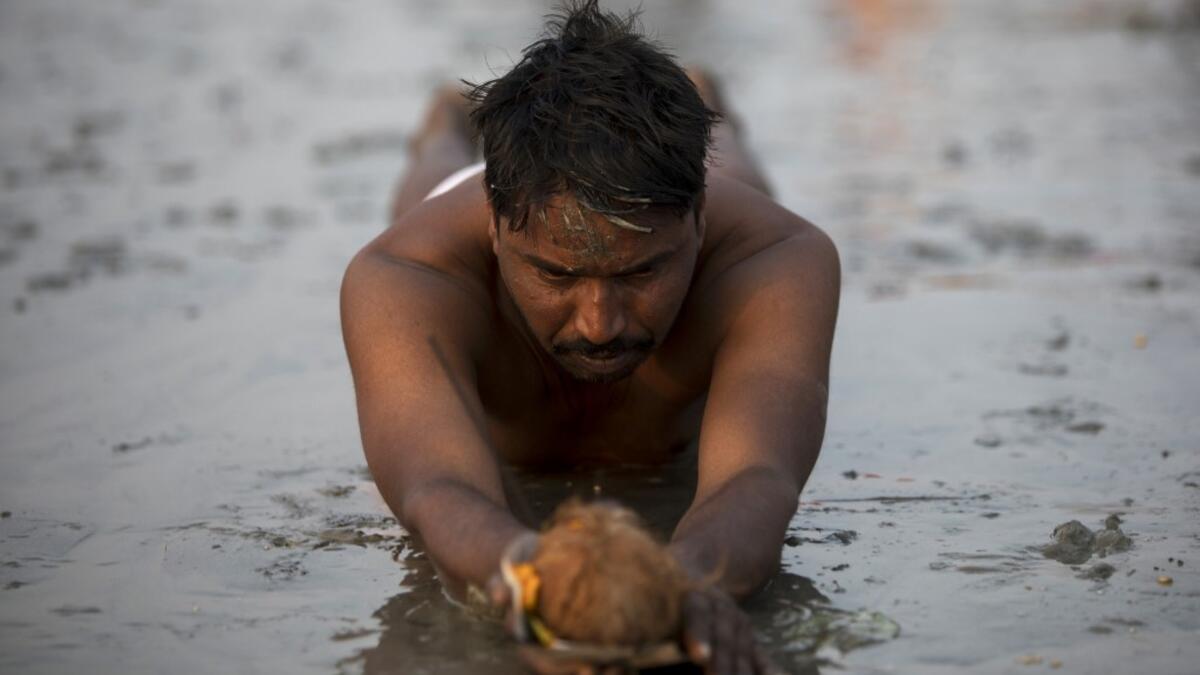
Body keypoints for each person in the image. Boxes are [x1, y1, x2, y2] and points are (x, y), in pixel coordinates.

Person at [340, 2, 840, 673]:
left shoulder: (780, 258)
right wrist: (525, 571)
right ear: (494, 229)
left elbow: (759, 475)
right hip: (460, 200)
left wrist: (685, 583)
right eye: (554, 273)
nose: (600, 322)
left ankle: (706, 99)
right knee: (433, 174)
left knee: (739, 170)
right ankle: (444, 120)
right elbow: (439, 490)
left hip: (716, 198)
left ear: (696, 220)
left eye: (644, 271)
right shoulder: (402, 278)